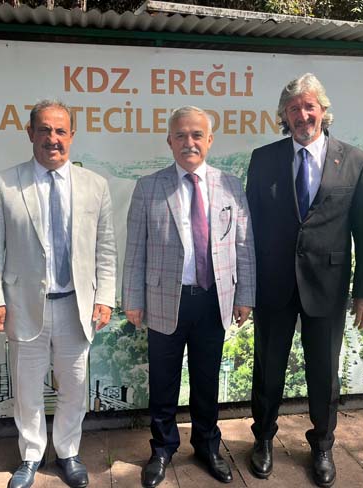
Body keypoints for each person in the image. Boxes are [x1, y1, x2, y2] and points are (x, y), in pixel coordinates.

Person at [246, 73, 363, 487]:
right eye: (294, 109)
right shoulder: (263, 159)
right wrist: (244, 288)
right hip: (274, 285)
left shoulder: (355, 161)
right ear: (284, 116)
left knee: (324, 373)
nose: (302, 115)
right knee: (268, 370)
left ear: (323, 110)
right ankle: (263, 438)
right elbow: (248, 230)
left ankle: (322, 445)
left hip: (328, 285)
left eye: (309, 106)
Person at [0, 100, 116, 488]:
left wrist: (105, 296)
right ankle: (31, 455)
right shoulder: (6, 183)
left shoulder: (95, 185)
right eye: (44, 130)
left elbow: (105, 248)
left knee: (74, 387)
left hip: (76, 305)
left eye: (60, 131)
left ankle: (68, 452)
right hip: (24, 306)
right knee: (27, 389)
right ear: (30, 133)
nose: (52, 138)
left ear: (71, 135)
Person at [122, 106, 256, 488]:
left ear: (209, 140)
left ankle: (207, 445)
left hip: (213, 300)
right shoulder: (148, 187)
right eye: (180, 135)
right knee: (163, 381)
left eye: (197, 135)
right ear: (169, 141)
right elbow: (135, 248)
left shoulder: (230, 185)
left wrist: (245, 295)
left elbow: (243, 244)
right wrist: (132, 299)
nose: (189, 142)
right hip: (165, 299)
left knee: (206, 380)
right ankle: (163, 448)